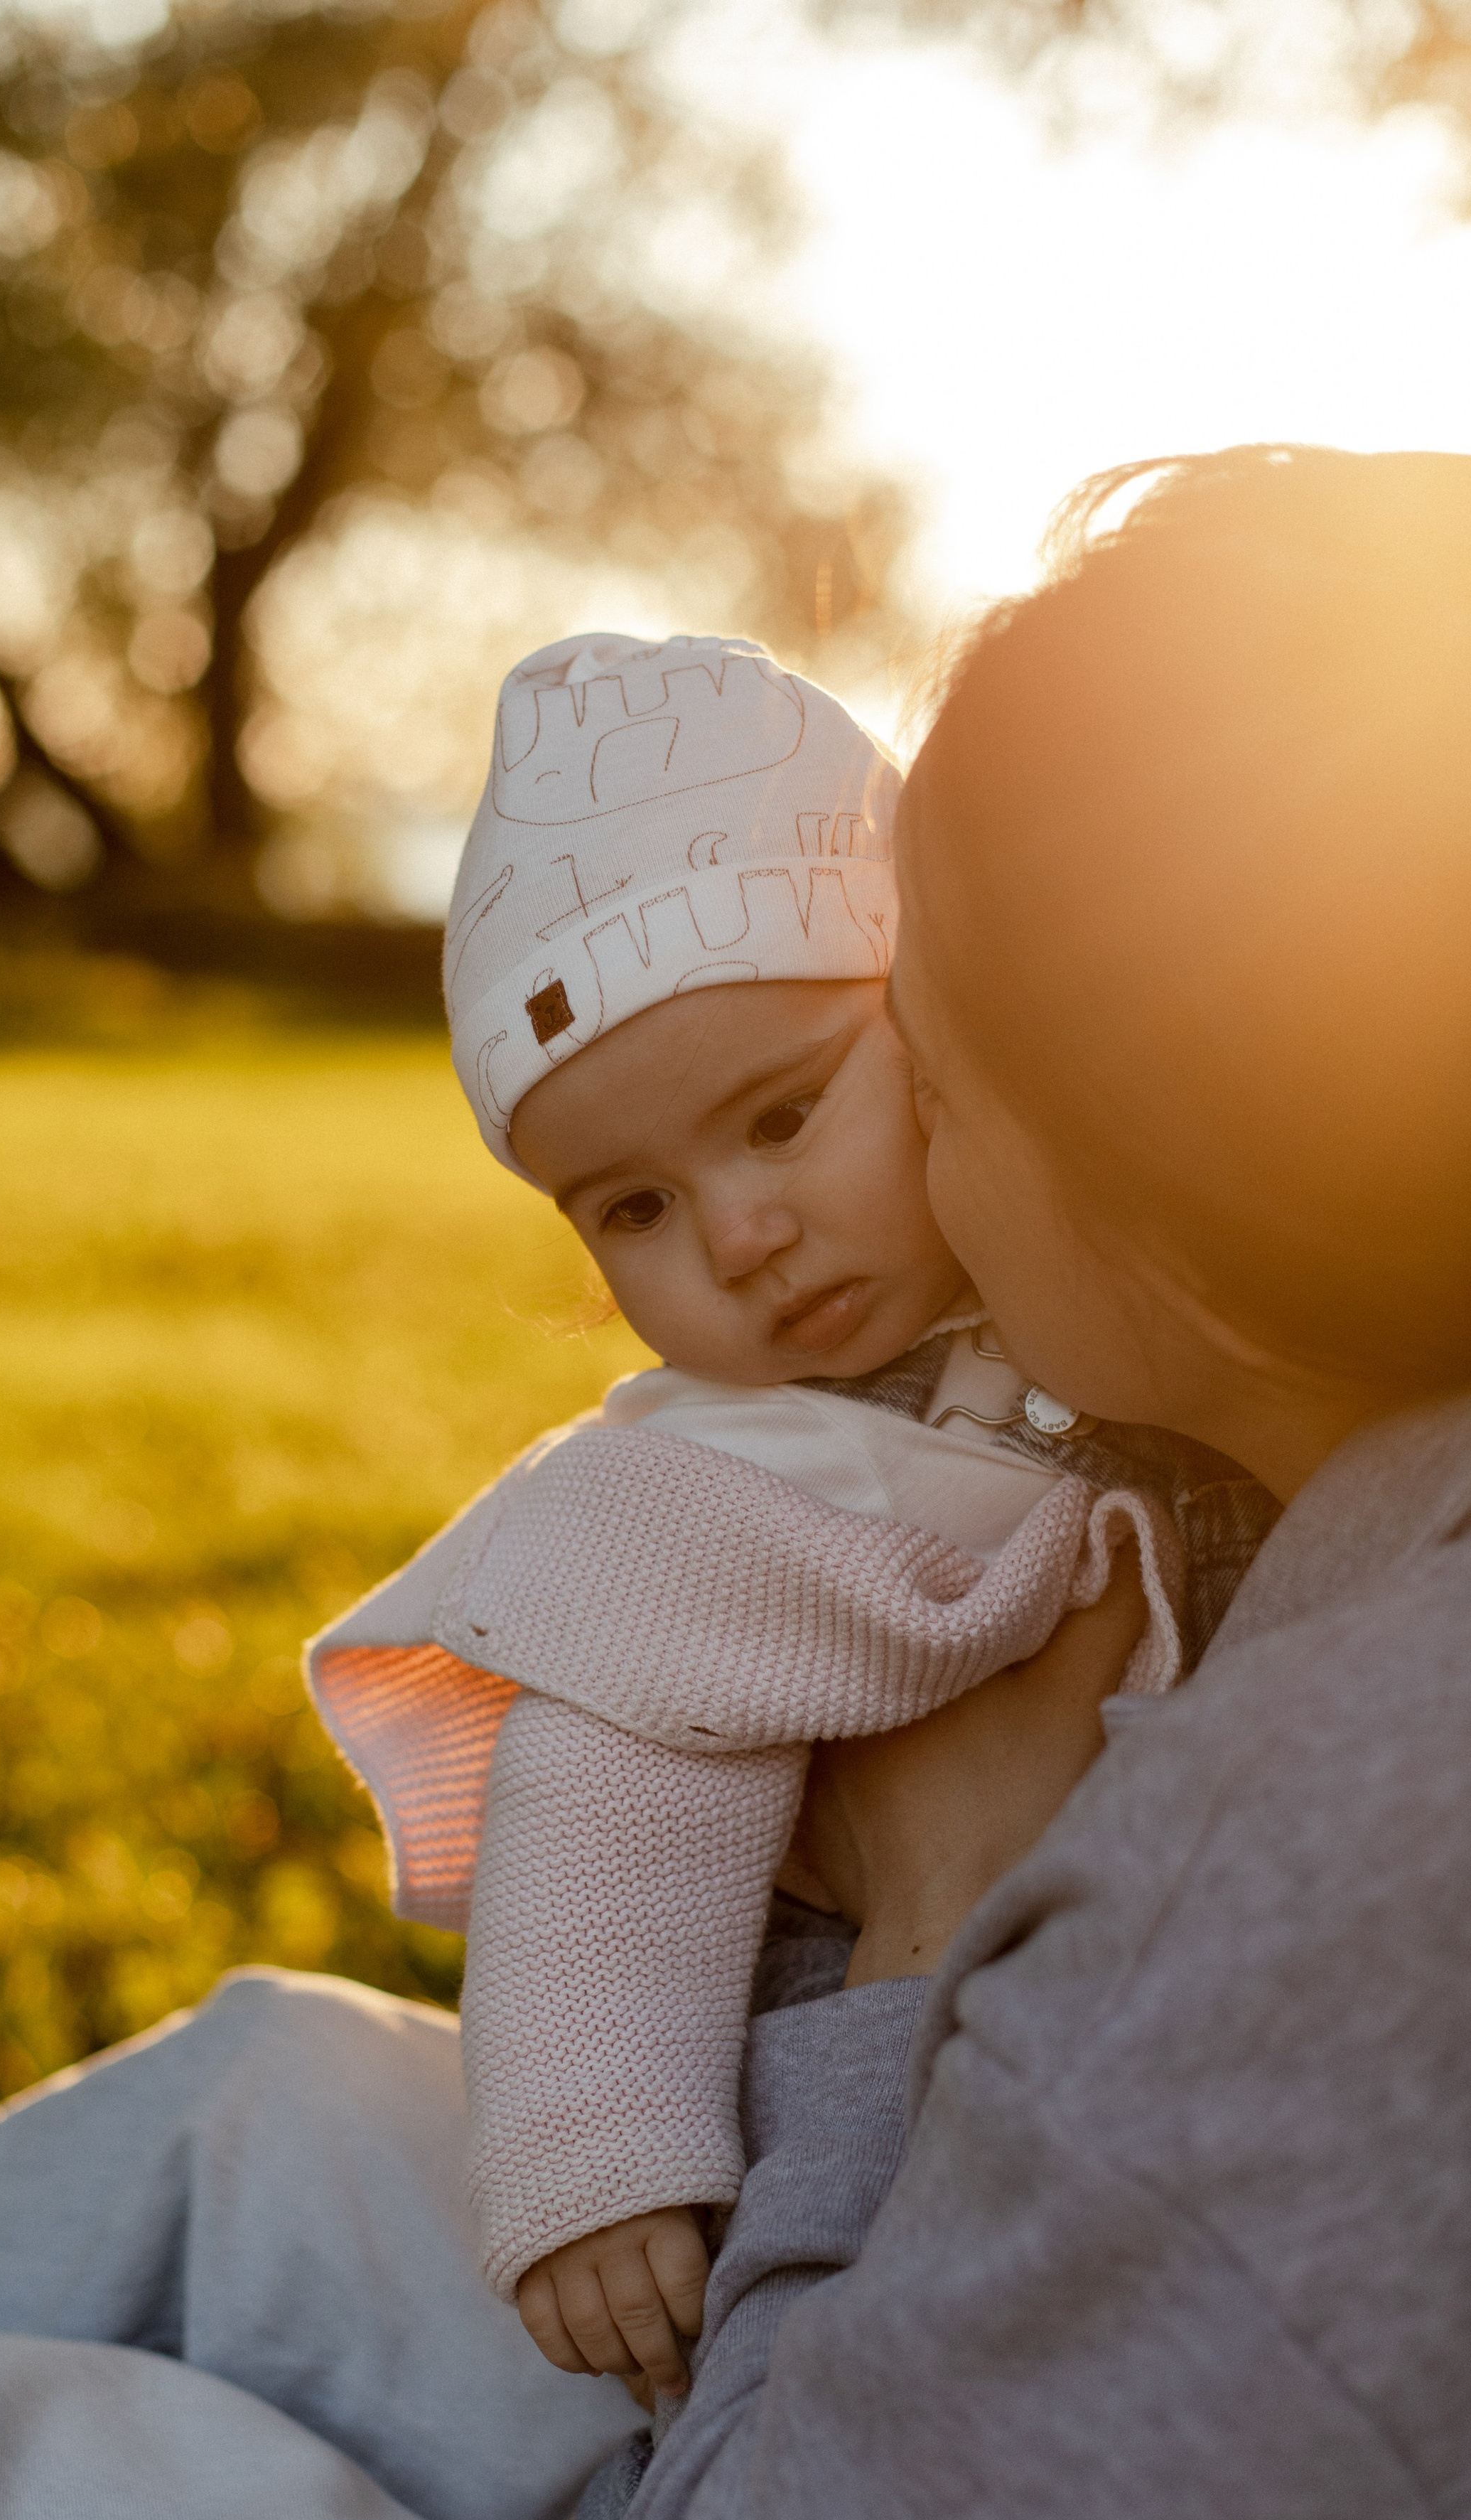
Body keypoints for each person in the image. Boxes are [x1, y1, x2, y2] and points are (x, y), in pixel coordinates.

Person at [0, 441, 1471, 2520]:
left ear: (1177, 1163)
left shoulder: (1355, 1874)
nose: (797, 1206)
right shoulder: (1391, 1468)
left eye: (911, 1068)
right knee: (262, 2099)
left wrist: (937, 1912)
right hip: (908, 2367)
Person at [309, 628, 1269, 2401]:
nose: (738, 1235)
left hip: (1149, 2027)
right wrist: (596, 2160)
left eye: (779, 1116)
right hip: (828, 2098)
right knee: (753, 2367)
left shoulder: (1101, 1287)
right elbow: (606, 1808)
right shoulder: (734, 1487)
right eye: (634, 1207)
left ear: (933, 1022)